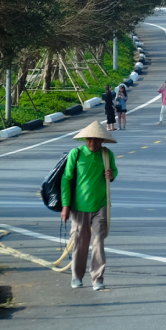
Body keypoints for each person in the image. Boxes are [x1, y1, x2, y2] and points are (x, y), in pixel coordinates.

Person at [61, 122, 117, 291]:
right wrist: (65, 206)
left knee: (99, 241)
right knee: (80, 241)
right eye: (90, 139)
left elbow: (114, 171)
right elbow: (66, 179)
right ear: (85, 139)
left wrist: (111, 174)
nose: (93, 143)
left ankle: (98, 278)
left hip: (101, 205)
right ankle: (77, 276)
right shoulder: (76, 154)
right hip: (79, 206)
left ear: (102, 141)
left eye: (97, 140)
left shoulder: (107, 155)